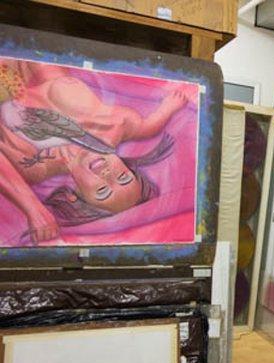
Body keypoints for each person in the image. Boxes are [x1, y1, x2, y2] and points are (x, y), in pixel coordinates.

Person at [0, 60, 189, 244]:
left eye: (102, 190)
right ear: (127, 165)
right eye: (123, 177)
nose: (109, 176)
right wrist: (169, 108)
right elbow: (150, 126)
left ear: (74, 195)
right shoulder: (116, 126)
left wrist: (33, 209)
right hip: (37, 51)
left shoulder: (38, 166)